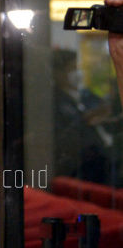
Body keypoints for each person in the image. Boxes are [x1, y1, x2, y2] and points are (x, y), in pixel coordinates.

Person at [50, 48, 111, 184]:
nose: (77, 73)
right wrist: (84, 120)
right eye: (72, 69)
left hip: (103, 165)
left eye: (77, 68)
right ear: (58, 73)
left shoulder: (87, 96)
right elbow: (60, 137)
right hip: (79, 170)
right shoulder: (53, 101)